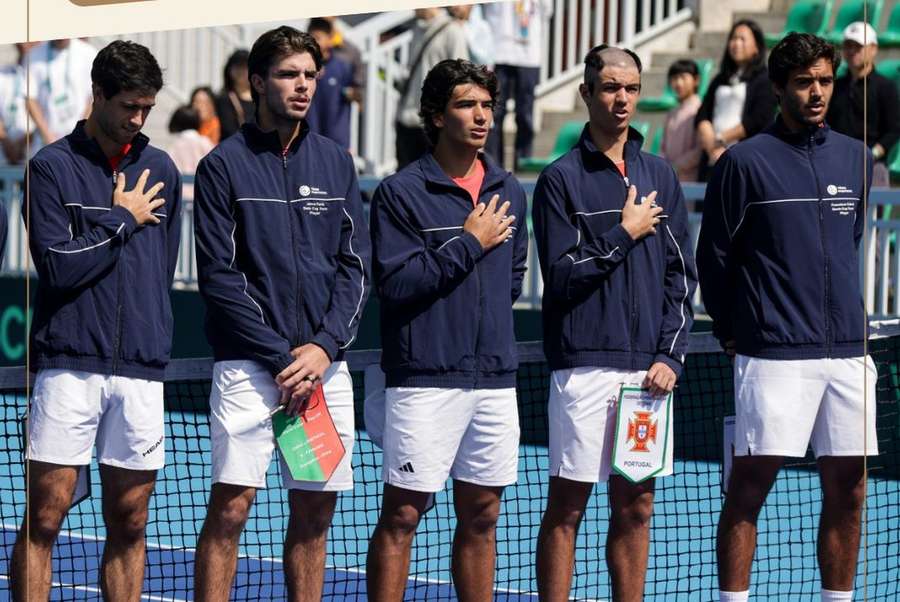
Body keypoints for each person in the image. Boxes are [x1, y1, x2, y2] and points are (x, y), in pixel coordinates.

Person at [696, 33, 877, 602]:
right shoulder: (743, 163)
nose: (818, 92)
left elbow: (850, 238)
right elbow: (715, 260)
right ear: (778, 89)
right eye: (804, 82)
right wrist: (734, 333)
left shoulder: (855, 156)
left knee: (849, 491)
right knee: (749, 490)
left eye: (824, 80)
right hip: (772, 355)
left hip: (849, 353)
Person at [192, 26, 370, 602]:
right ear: (257, 81)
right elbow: (219, 277)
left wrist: (322, 349)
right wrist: (280, 357)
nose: (302, 86)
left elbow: (355, 268)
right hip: (249, 368)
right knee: (232, 509)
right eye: (288, 74)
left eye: (310, 75)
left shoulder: (336, 162)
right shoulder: (223, 165)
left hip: (322, 369)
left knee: (315, 513)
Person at [9, 40, 182, 601]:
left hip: (140, 370)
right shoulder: (50, 167)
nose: (137, 119)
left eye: (147, 109)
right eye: (128, 105)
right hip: (67, 367)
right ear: (98, 95)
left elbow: (161, 269)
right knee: (45, 517)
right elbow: (57, 268)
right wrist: (120, 220)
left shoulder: (161, 169)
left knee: (131, 524)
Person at [532, 45, 696, 602]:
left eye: (629, 87)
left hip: (647, 378)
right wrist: (624, 234)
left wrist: (669, 355)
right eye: (609, 87)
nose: (620, 98)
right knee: (567, 506)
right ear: (587, 93)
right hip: (582, 370)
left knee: (637, 504)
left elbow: (681, 276)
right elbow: (561, 276)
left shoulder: (660, 176)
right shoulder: (558, 180)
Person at [367, 58, 528, 600]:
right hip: (424, 379)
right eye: (466, 104)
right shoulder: (399, 192)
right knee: (404, 515)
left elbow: (513, 278)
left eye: (486, 105)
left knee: (483, 516)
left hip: (495, 381)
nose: (480, 116)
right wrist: (468, 243)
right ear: (436, 116)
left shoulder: (510, 190)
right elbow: (397, 283)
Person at [695, 19, 776, 180]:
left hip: (746, 158)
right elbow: (702, 113)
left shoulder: (765, 79)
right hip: (712, 157)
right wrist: (710, 143)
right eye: (733, 38)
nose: (735, 43)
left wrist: (721, 140)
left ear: (756, 47)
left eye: (742, 39)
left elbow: (759, 119)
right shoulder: (719, 79)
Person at [482, 0, 554, 171]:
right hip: (498, 53)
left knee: (525, 114)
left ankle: (523, 165)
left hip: (529, 54)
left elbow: (547, 11)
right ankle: (493, 169)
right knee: (495, 112)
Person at [827, 21, 899, 188]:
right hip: (837, 163)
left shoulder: (885, 87)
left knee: (871, 213)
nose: (852, 51)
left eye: (858, 46)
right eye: (848, 46)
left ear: (873, 48)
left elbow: (894, 129)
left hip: (873, 166)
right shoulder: (836, 86)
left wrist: (873, 153)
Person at [395, 7, 469, 169]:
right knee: (405, 181)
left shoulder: (452, 31)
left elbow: (462, 78)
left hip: (434, 122)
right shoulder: (417, 29)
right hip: (408, 120)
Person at [27, 38, 98, 146]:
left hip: (81, 140)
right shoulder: (34, 55)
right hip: (45, 142)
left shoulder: (88, 52)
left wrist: (80, 131)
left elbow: (94, 97)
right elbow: (30, 99)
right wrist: (46, 135)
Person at [305, 17, 357, 150]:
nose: (313, 42)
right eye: (310, 37)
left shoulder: (342, 67)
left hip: (337, 140)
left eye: (317, 37)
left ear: (329, 39)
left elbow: (357, 94)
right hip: (309, 139)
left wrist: (353, 94)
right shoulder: (302, 68)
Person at [660, 59, 703, 182]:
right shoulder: (672, 112)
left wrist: (675, 166)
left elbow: (699, 150)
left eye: (683, 77)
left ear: (696, 80)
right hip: (669, 177)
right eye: (674, 78)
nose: (678, 83)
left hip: (690, 178)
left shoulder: (700, 110)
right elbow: (663, 146)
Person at [0, 42, 40, 164]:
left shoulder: (42, 73)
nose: (25, 43)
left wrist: (23, 142)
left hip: (34, 154)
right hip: (4, 155)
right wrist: (5, 141)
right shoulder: (3, 73)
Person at [214, 49, 254, 140]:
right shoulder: (224, 99)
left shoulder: (263, 97)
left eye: (245, 67)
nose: (242, 71)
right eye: (238, 67)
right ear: (229, 70)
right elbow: (229, 130)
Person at [167, 105, 214, 174]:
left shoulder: (176, 144)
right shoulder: (204, 141)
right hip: (201, 182)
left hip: (181, 182)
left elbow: (170, 166)